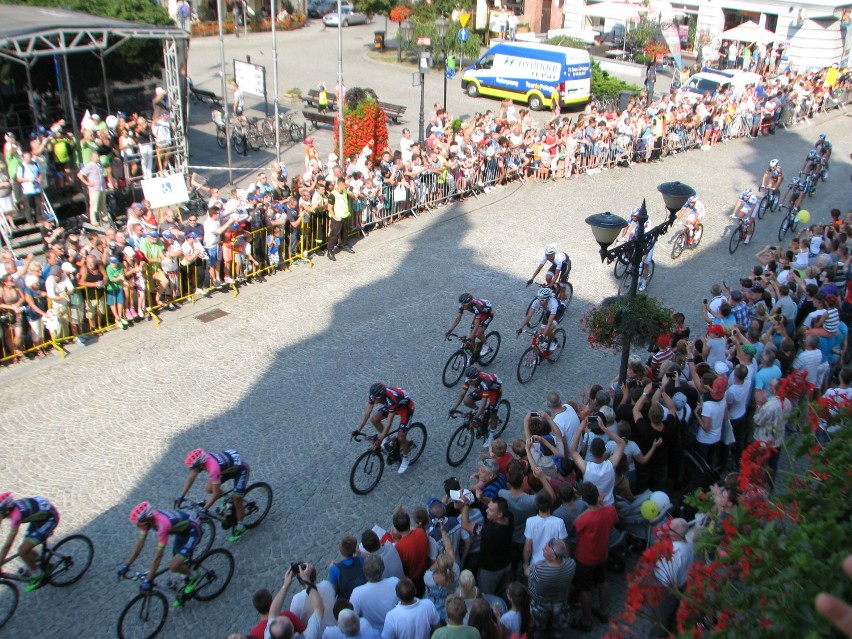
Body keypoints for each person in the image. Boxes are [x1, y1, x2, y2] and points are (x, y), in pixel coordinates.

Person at [118, 501, 203, 604]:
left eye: (140, 525)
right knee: (177, 561)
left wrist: (148, 580)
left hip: (192, 531)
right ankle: (185, 581)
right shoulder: (148, 521)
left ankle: (194, 576)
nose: (139, 528)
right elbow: (139, 545)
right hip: (181, 531)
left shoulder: (162, 525)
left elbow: (158, 556)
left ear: (148, 520)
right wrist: (126, 565)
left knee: (174, 566)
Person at [175, 448, 251, 542]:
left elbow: (215, 495)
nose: (193, 470)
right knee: (209, 488)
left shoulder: (213, 468)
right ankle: (228, 498)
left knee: (237, 500)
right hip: (226, 470)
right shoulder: (202, 461)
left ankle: (240, 527)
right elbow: (191, 478)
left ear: (201, 465)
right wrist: (181, 496)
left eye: (194, 468)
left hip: (240, 471)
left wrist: (204, 509)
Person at [571, 483, 618, 632]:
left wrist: (588, 510)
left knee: (586, 589)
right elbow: (615, 520)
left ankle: (586, 621)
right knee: (602, 582)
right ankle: (603, 611)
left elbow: (575, 525)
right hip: (602, 554)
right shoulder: (610, 510)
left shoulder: (586, 518)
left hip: (585, 558)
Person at [0, 493, 60, 592]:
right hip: (39, 517)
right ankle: (44, 565)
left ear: (6, 510)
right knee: (27, 546)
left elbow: (8, 545)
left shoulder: (16, 516)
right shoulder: (9, 510)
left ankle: (38, 574)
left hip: (50, 518)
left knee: (22, 550)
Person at [352, 383, 416, 474]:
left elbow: (389, 423)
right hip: (392, 406)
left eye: (376, 398)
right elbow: (367, 412)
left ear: (382, 396)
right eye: (372, 397)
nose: (373, 400)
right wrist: (358, 430)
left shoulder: (392, 399)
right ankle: (387, 438)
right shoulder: (374, 396)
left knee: (401, 437)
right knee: (374, 419)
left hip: (406, 409)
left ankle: (406, 457)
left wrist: (379, 440)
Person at [525, 538, 575, 639]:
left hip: (540, 605)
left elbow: (530, 586)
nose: (543, 549)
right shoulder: (571, 564)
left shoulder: (538, 569)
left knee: (539, 629)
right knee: (557, 628)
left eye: (545, 549)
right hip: (560, 603)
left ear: (553, 557)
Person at [449, 366, 503, 447]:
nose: (468, 382)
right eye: (467, 379)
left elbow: (484, 402)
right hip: (481, 389)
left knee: (492, 413)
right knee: (467, 401)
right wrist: (454, 408)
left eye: (470, 381)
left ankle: (491, 438)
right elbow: (462, 393)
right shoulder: (469, 379)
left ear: (476, 379)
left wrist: (476, 417)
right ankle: (482, 413)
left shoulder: (485, 382)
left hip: (494, 391)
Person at [445, 293, 495, 358]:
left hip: (487, 314)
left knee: (477, 333)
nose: (462, 306)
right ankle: (475, 353)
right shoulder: (462, 305)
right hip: (479, 314)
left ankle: (486, 345)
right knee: (472, 335)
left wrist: (470, 338)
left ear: (469, 303)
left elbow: (477, 325)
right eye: (461, 304)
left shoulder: (477, 307)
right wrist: (450, 330)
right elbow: (458, 318)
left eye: (464, 305)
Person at [517, 287, 564, 352]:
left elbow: (549, 323)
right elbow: (528, 316)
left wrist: (543, 335)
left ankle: (555, 341)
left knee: (547, 330)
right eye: (539, 298)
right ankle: (546, 342)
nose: (539, 301)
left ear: (547, 299)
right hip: (548, 311)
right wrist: (520, 328)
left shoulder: (553, 304)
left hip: (558, 313)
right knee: (542, 330)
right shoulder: (536, 302)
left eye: (542, 300)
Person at [326, 177, 354, 260]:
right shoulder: (333, 194)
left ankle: (344, 245)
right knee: (334, 234)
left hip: (345, 216)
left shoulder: (344, 191)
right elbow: (329, 207)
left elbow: (348, 186)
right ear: (338, 185)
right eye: (342, 185)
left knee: (345, 232)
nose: (344, 186)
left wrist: (346, 184)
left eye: (344, 184)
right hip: (337, 217)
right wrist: (334, 217)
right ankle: (330, 250)